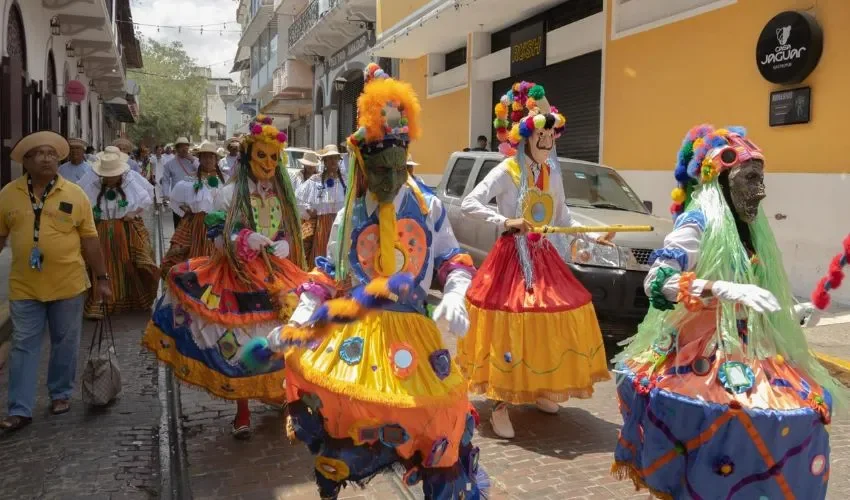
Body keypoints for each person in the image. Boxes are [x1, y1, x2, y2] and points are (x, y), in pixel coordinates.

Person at [260, 63, 486, 499]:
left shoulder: (430, 207)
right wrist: (303, 316)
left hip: (415, 332)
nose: (388, 177)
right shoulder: (350, 214)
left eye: (396, 165)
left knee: (437, 421)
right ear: (363, 162)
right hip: (361, 332)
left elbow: (452, 259)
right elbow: (327, 271)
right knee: (343, 416)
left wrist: (456, 294)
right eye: (378, 167)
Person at [611, 124, 847, 499]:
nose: (761, 190)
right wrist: (717, 288)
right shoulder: (698, 222)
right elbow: (657, 281)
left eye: (762, 178)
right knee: (728, 429)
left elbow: (752, 295)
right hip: (701, 353)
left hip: (750, 349)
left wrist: (791, 310)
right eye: (750, 178)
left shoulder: (748, 231)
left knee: (800, 415)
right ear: (722, 180)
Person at [456, 82, 612, 439]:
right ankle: (499, 403)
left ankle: (539, 388)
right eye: (540, 134)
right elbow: (470, 203)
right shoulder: (506, 171)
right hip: (512, 258)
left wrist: (594, 235)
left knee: (546, 323)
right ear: (526, 137)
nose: (546, 140)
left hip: (543, 257)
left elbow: (563, 218)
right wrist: (506, 221)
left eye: (550, 134)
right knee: (511, 323)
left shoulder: (552, 173)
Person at [143, 116, 308, 439]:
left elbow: (290, 228)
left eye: (274, 157)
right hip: (238, 275)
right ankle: (242, 411)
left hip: (277, 273)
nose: (269, 163)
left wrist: (285, 243)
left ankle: (287, 398)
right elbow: (218, 238)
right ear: (247, 157)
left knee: (286, 335)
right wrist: (244, 240)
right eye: (262, 155)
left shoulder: (283, 194)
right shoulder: (229, 193)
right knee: (241, 341)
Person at [0, 131, 111, 432]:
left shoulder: (75, 194)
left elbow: (90, 240)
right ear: (26, 161)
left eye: (52, 153)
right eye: (40, 153)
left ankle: (60, 393)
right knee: (23, 344)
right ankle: (19, 409)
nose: (48, 158)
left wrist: (101, 278)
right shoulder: (8, 194)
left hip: (68, 283)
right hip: (25, 285)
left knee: (65, 342)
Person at [79, 146, 158, 319]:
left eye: (113, 175)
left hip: (125, 229)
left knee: (127, 263)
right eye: (107, 175)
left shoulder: (130, 181)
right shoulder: (92, 185)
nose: (110, 178)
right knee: (102, 264)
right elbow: (82, 203)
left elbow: (146, 198)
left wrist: (133, 213)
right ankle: (101, 302)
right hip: (101, 231)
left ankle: (127, 297)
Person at [159, 140, 227, 278]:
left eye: (211, 156)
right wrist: (188, 210)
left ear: (216, 159)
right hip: (198, 225)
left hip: (220, 225)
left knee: (219, 261)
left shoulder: (225, 179)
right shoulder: (190, 180)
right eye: (205, 157)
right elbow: (175, 199)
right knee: (196, 259)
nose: (208, 160)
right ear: (200, 159)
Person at [296, 145, 347, 266]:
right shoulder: (315, 180)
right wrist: (308, 210)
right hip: (322, 225)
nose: (333, 161)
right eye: (329, 158)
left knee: (339, 254)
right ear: (324, 161)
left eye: (335, 158)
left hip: (341, 224)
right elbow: (299, 198)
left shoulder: (345, 180)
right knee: (322, 253)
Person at [161, 137, 199, 229]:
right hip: (177, 200)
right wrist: (166, 195)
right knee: (178, 226)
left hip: (193, 198)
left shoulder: (194, 161)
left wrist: (192, 159)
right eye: (181, 147)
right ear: (177, 149)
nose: (184, 149)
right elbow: (165, 180)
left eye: (186, 146)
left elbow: (203, 170)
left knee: (192, 226)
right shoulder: (169, 164)